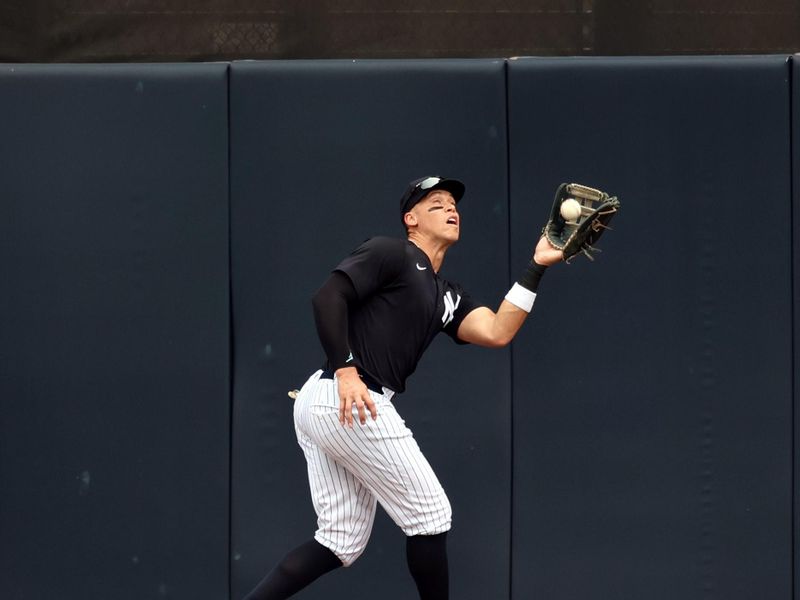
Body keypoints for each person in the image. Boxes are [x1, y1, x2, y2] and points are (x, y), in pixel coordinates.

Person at [243, 175, 564, 600]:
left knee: (340, 541)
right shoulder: (391, 251)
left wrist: (537, 264)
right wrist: (346, 371)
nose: (451, 209)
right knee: (431, 515)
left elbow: (497, 330)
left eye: (453, 204)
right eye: (436, 203)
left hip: (326, 402)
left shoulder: (446, 293)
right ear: (410, 219)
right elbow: (327, 297)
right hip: (348, 394)